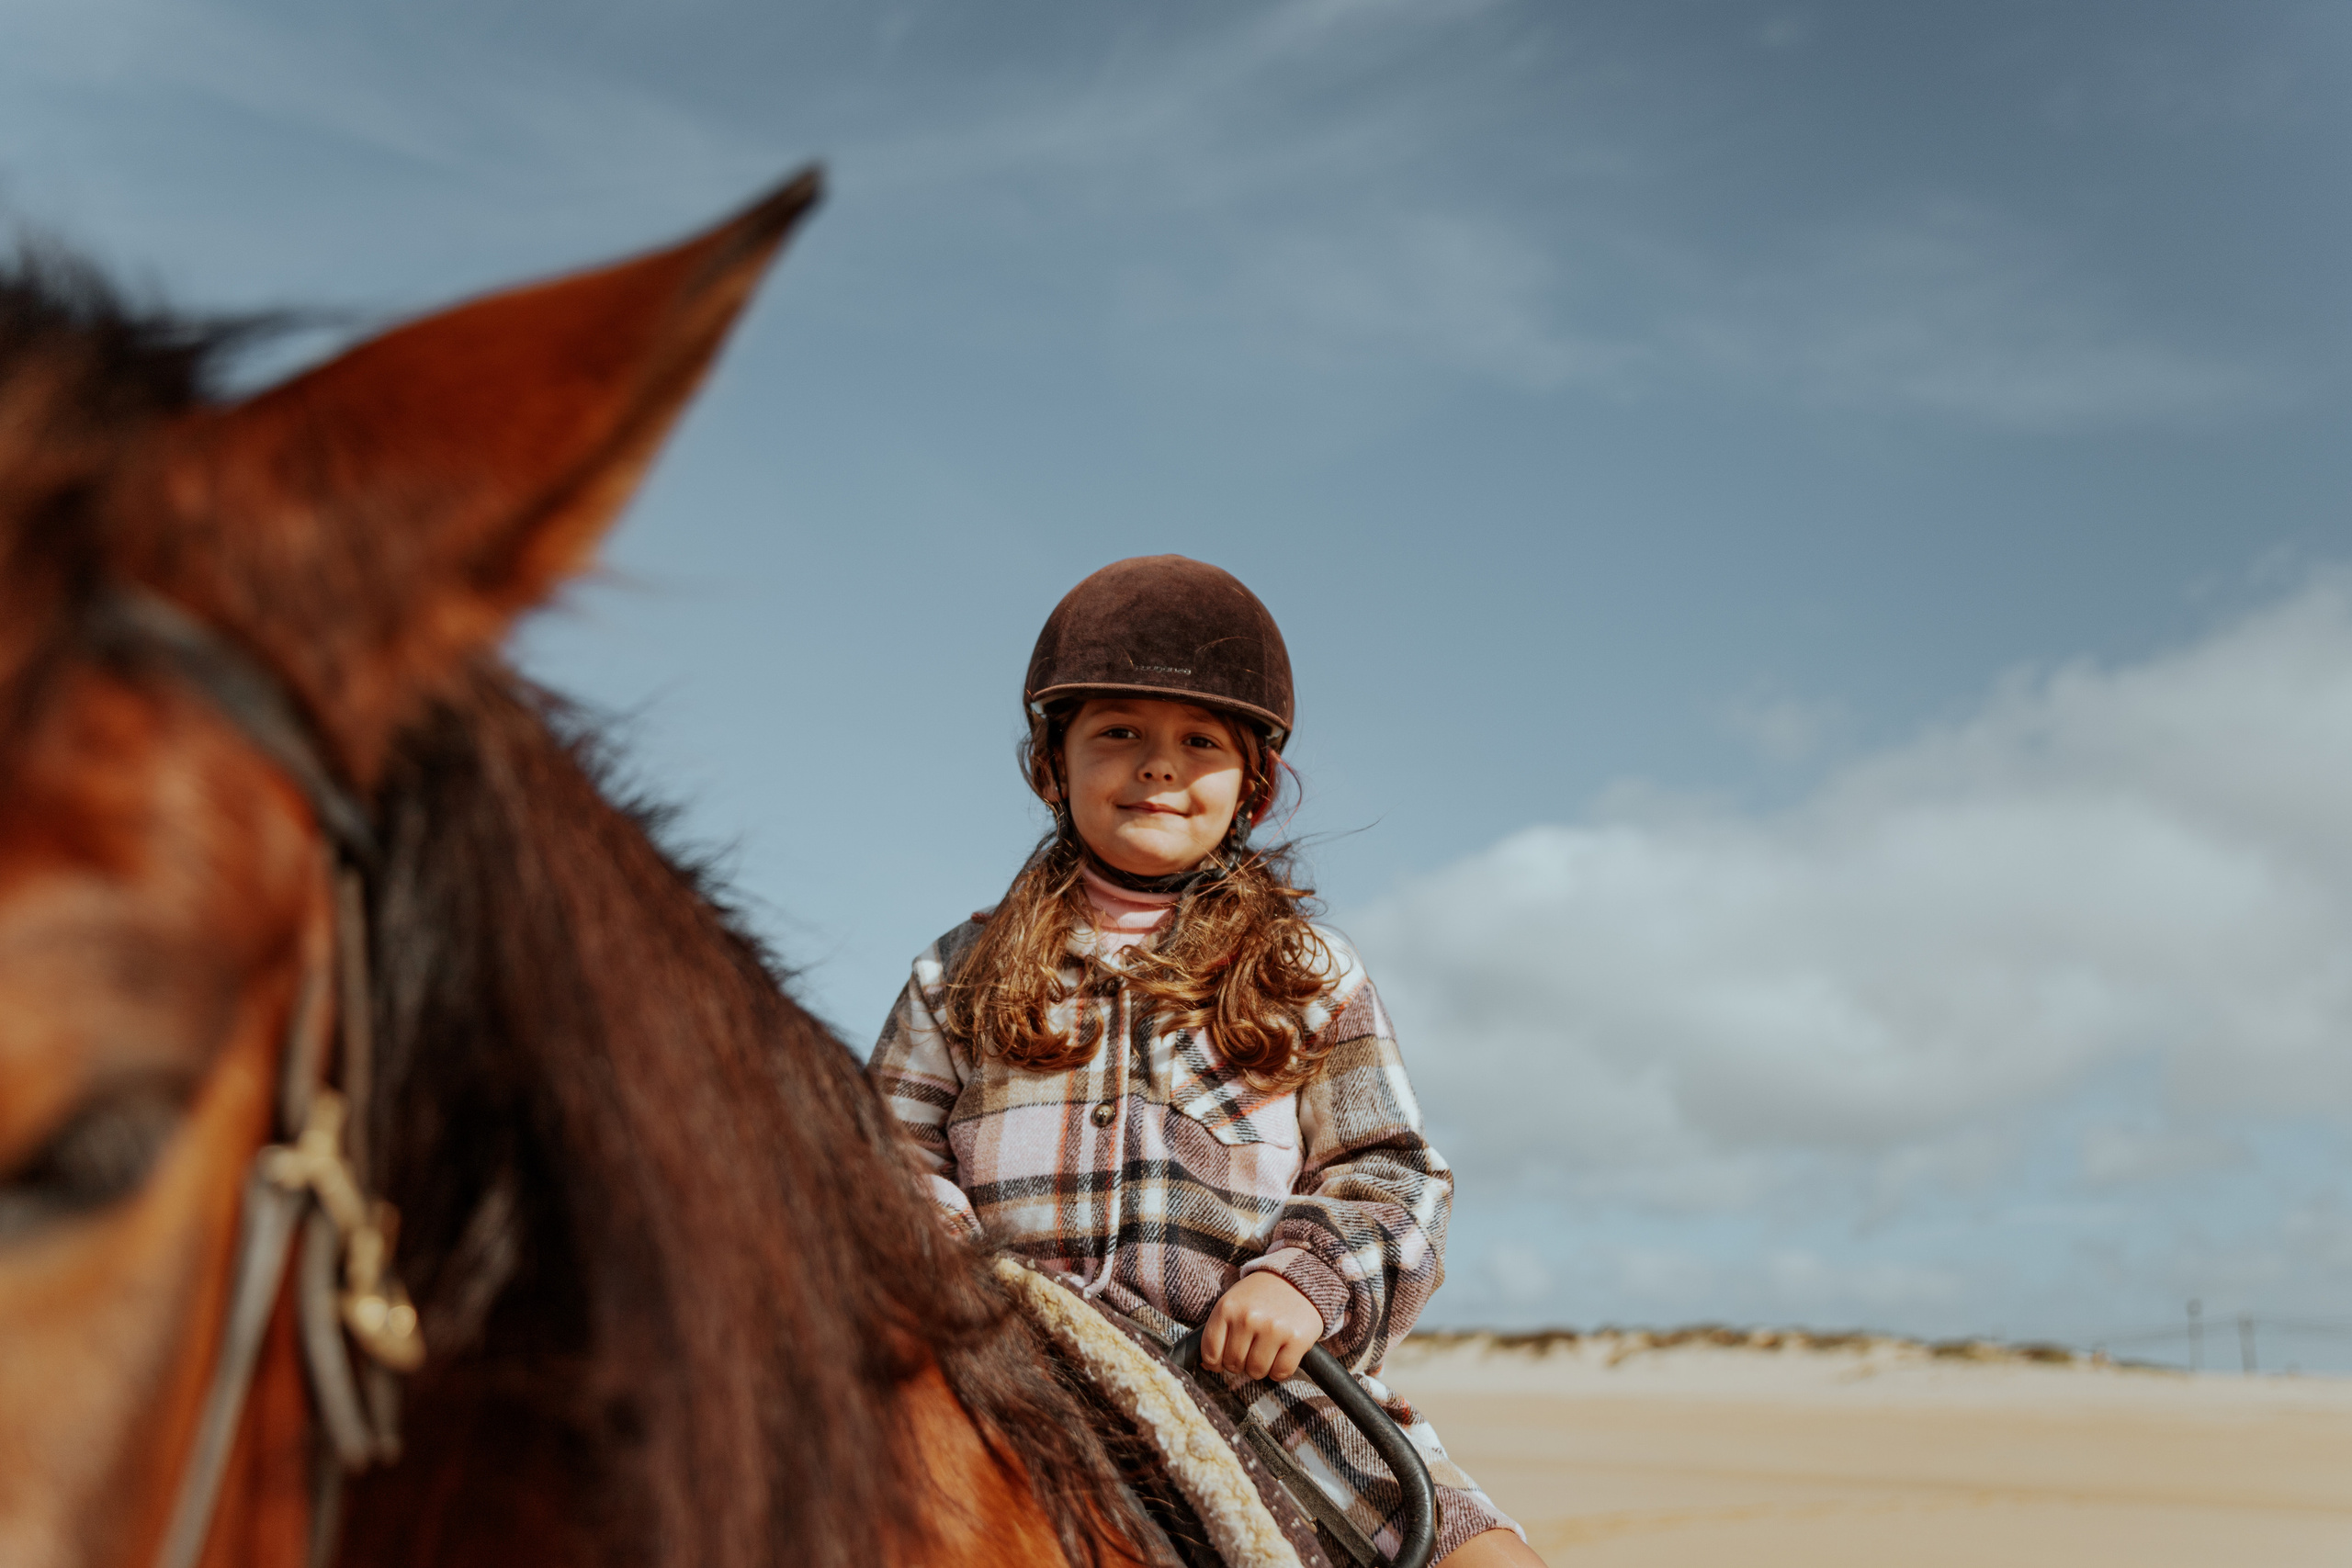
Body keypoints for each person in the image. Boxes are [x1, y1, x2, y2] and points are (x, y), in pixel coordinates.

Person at [867, 556, 1543, 1567]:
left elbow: (1394, 1174)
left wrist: (1301, 1283)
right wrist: (959, 1278)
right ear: (1052, 767)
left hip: (1252, 1382)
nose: (1159, 766)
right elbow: (889, 1154)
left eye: (1199, 743)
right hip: (1006, 1362)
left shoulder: (1302, 969)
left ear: (1254, 788)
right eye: (1119, 734)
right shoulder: (953, 971)